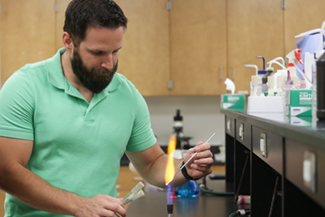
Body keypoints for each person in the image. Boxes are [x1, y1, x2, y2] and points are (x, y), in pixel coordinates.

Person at [0, 0, 214, 216]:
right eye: (98, 53)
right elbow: (6, 171)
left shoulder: (127, 94)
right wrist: (79, 205)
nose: (109, 64)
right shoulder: (25, 87)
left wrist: (185, 168)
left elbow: (152, 164)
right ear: (68, 41)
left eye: (115, 51)